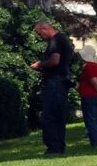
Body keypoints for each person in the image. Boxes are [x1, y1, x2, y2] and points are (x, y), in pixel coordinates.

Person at [29, 19, 73, 156]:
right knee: (58, 115)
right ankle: (59, 145)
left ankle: (53, 146)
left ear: (44, 29)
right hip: (62, 81)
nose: (40, 37)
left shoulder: (55, 41)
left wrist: (40, 65)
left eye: (40, 34)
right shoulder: (63, 39)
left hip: (54, 82)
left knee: (49, 115)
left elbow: (55, 60)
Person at [77, 45, 97, 149]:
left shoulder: (89, 66)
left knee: (90, 120)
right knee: (93, 118)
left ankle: (95, 142)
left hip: (88, 95)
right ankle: (96, 141)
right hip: (93, 96)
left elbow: (94, 80)